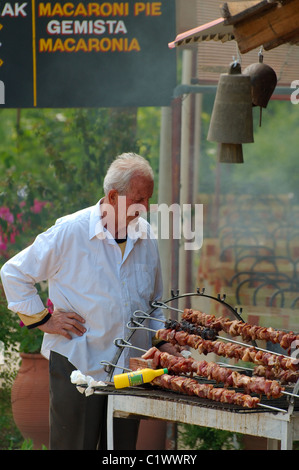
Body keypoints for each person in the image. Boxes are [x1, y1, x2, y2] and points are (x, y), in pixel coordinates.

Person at [0, 152, 176, 450]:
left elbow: (153, 302)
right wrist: (45, 319)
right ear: (112, 196)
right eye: (139, 198)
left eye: (149, 198)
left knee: (120, 450)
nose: (145, 207)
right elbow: (13, 273)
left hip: (129, 370)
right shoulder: (71, 230)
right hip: (78, 364)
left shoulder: (145, 234)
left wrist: (163, 343)